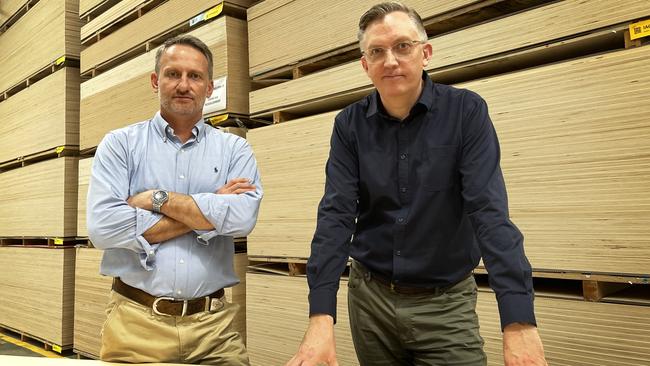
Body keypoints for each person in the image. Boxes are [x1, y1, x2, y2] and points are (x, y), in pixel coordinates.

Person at [287, 2, 547, 366]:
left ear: (425, 53)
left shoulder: (466, 113)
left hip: (444, 302)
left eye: (402, 47)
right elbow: (336, 215)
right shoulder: (350, 125)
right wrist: (320, 316)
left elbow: (488, 211)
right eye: (377, 51)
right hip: (370, 300)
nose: (390, 60)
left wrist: (518, 320)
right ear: (365, 65)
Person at [87, 34, 262, 365]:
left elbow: (242, 218)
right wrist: (210, 207)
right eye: (173, 74)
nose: (184, 85)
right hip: (135, 325)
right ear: (155, 81)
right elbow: (104, 228)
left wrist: (156, 198)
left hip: (213, 328)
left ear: (209, 87)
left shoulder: (234, 149)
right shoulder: (120, 145)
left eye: (195, 76)